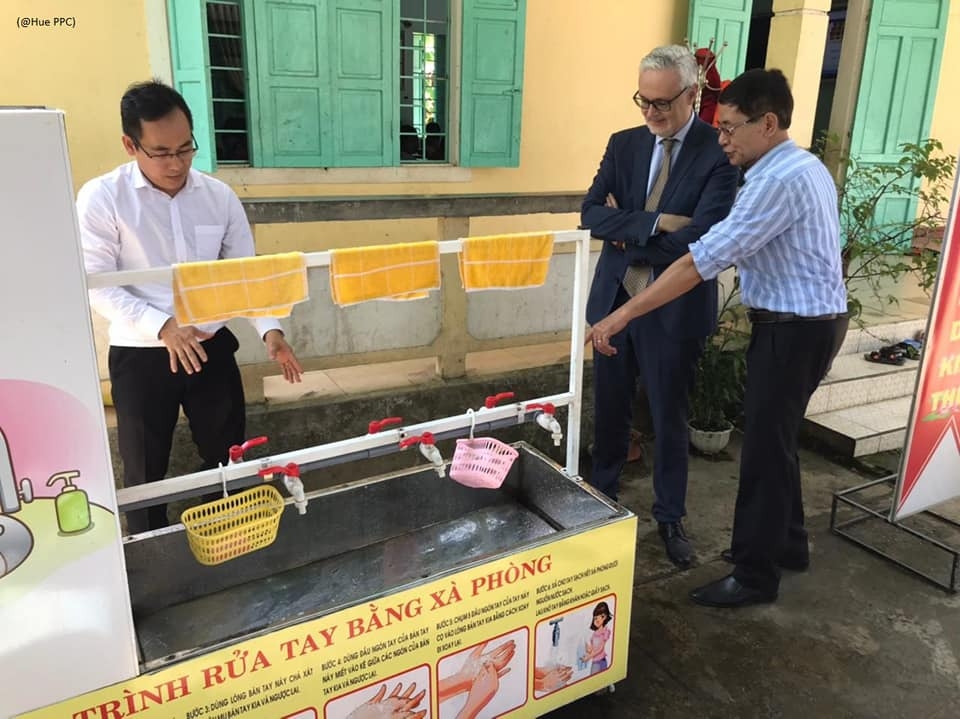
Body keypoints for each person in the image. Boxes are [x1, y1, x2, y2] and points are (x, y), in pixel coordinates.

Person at [588, 68, 848, 608]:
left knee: (761, 455)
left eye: (730, 128)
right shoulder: (800, 166)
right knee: (778, 444)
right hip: (808, 321)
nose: (722, 137)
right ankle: (789, 545)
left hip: (793, 328)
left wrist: (620, 316)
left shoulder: (775, 180)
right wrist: (658, 223)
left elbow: (698, 257)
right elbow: (600, 216)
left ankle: (755, 575)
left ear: (769, 123)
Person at [78, 80, 304, 534]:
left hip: (210, 346)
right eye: (161, 152)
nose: (177, 163)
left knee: (227, 455)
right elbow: (95, 284)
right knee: (144, 465)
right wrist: (163, 327)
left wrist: (270, 331)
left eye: (186, 148)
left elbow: (244, 273)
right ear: (130, 144)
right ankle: (147, 550)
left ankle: (228, 538)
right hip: (142, 353)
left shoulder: (217, 196)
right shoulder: (102, 198)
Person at [582, 45, 739, 568]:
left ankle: (670, 518)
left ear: (693, 95)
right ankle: (600, 503)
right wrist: (656, 222)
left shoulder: (718, 153)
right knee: (609, 411)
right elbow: (589, 213)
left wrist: (625, 228)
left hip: (674, 309)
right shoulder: (623, 144)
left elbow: (703, 239)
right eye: (642, 101)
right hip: (615, 298)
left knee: (669, 417)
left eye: (663, 104)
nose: (651, 114)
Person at [580, 601, 613, 675]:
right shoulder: (594, 634)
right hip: (595, 661)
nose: (597, 620)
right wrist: (587, 646)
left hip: (601, 661)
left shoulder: (605, 631)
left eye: (601, 616)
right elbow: (591, 649)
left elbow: (600, 648)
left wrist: (589, 657)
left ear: (605, 617)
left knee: (596, 678)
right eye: (595, 618)